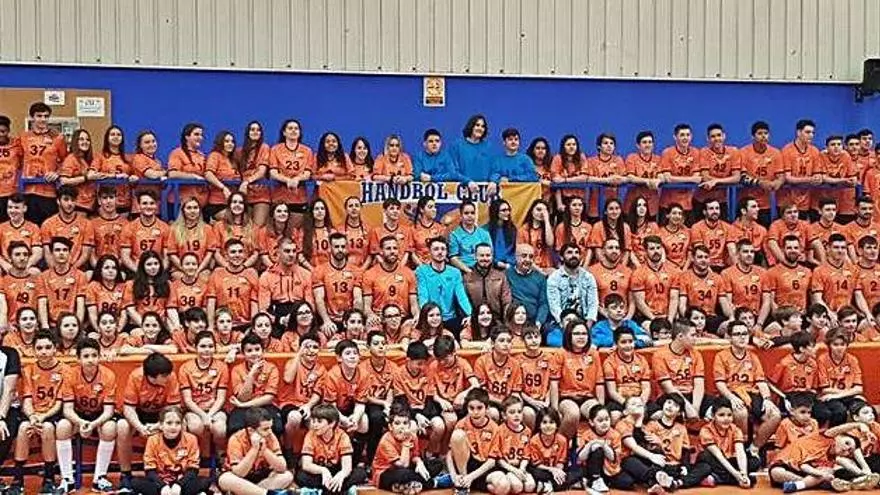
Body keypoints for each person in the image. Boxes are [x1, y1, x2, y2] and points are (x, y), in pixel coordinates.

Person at [57, 338, 118, 493]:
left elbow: (109, 411)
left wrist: (92, 424)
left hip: (99, 415)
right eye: (86, 356)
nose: (90, 360)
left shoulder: (108, 375)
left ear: (99, 356)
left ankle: (99, 478)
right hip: (77, 414)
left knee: (110, 428)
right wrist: (81, 422)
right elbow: (67, 409)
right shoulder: (70, 374)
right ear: (78, 359)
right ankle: (67, 479)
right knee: (62, 426)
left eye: (94, 355)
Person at [116, 352, 181, 491]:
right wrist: (140, 427)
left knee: (181, 424)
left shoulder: (171, 376)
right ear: (152, 376)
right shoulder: (136, 377)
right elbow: (129, 408)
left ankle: (174, 472)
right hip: (139, 413)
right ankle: (125, 474)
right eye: (164, 376)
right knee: (122, 426)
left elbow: (175, 408)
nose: (168, 377)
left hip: (162, 414)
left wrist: (160, 425)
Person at [714, 320, 782, 452]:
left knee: (775, 414)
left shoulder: (753, 356)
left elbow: (761, 381)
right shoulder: (721, 356)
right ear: (730, 337)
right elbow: (720, 383)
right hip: (732, 392)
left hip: (752, 393)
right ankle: (741, 445)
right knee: (740, 412)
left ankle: (754, 448)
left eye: (745, 334)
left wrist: (767, 399)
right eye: (737, 334)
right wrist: (732, 398)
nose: (742, 337)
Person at [13, 330, 68, 493]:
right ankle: (18, 480)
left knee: (48, 428)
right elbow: (27, 400)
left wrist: (43, 417)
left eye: (47, 347)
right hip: (33, 413)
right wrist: (32, 417)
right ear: (34, 350)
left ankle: (49, 478)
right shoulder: (28, 370)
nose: (43, 352)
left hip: (52, 413)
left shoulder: (65, 370)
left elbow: (59, 402)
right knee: (23, 428)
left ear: (55, 348)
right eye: (39, 348)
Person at [769, 423, 879, 493]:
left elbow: (806, 467)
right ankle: (819, 484)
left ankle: (800, 485)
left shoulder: (829, 460)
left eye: (849, 451)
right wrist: (859, 424)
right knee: (776, 472)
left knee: (827, 471)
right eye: (847, 443)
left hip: (805, 473)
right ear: (838, 436)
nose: (846, 448)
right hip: (787, 464)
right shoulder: (824, 437)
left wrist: (821, 474)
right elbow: (839, 428)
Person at [132, 405, 213, 495]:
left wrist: (179, 485)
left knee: (205, 481)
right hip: (161, 482)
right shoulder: (152, 440)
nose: (173, 427)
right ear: (161, 425)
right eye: (169, 423)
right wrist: (162, 486)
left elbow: (193, 469)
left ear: (182, 425)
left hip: (182, 482)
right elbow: (150, 470)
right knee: (135, 482)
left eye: (177, 423)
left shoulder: (191, 439)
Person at [217, 407, 296, 495]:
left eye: (271, 427)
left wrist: (265, 450)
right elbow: (239, 473)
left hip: (263, 479)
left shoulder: (270, 436)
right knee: (225, 479)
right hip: (242, 480)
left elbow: (282, 467)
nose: (270, 432)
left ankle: (252, 492)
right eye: (265, 429)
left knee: (287, 476)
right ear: (251, 430)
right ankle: (266, 493)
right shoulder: (236, 439)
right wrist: (254, 449)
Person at [372, 399, 445, 494]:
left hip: (407, 468)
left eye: (405, 423)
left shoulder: (412, 436)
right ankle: (432, 483)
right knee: (404, 474)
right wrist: (406, 442)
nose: (402, 427)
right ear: (390, 427)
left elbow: (415, 456)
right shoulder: (385, 441)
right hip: (385, 473)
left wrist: (419, 463)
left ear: (409, 425)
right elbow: (403, 465)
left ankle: (405, 485)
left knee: (437, 464)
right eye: (397, 423)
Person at [179, 331, 229, 465]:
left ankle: (220, 456)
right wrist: (202, 415)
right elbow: (187, 400)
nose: (207, 350)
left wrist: (210, 414)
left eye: (210, 346)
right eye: (203, 346)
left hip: (215, 408)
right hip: (194, 409)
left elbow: (221, 398)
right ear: (195, 347)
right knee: (196, 426)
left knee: (220, 428)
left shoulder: (222, 366)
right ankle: (197, 456)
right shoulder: (186, 368)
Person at [296, 402, 369, 495]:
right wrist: (323, 470)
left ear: (332, 423)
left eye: (319, 421)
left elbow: (347, 466)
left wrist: (341, 475)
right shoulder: (310, 435)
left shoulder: (342, 436)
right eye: (313, 421)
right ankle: (342, 490)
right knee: (300, 476)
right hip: (319, 471)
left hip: (337, 470)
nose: (315, 425)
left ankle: (322, 491)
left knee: (361, 473)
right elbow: (306, 465)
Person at [447, 388, 507, 495]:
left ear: (487, 408)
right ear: (467, 408)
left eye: (479, 408)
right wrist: (453, 475)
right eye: (471, 408)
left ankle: (469, 482)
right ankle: (462, 484)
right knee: (457, 435)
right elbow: (450, 454)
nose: (475, 412)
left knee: (503, 486)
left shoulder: (495, 428)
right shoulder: (461, 424)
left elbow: (492, 461)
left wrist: (471, 477)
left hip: (484, 468)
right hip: (467, 465)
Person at [650, 320, 709, 420]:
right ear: (680, 336)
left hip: (692, 394)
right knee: (664, 409)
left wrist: (695, 408)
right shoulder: (659, 355)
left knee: (720, 406)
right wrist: (688, 408)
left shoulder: (696, 354)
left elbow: (699, 383)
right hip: (671, 395)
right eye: (693, 335)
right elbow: (668, 387)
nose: (696, 338)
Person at [414, 236, 473, 335]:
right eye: (436, 249)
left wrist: (470, 314)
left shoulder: (455, 272)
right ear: (430, 252)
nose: (440, 252)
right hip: (430, 317)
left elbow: (461, 296)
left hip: (450, 318)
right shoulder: (422, 271)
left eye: (443, 249)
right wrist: (427, 315)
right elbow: (423, 295)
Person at [696, 397, 759, 488]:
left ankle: (718, 478)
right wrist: (736, 475)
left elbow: (740, 452)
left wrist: (744, 474)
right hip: (715, 460)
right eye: (721, 415)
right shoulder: (706, 430)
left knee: (755, 461)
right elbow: (719, 456)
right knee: (705, 457)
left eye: (729, 415)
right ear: (713, 416)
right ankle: (730, 479)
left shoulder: (735, 429)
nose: (726, 419)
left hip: (728, 460)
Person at [555, 320, 604, 437]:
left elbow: (599, 382)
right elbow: (554, 383)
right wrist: (555, 409)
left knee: (600, 415)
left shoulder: (593, 354)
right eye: (577, 334)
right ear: (569, 335)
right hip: (567, 397)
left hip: (587, 397)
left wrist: (601, 405)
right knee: (573, 413)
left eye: (584, 334)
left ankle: (594, 445)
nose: (581, 337)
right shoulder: (561, 353)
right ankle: (560, 442)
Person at [20, 102, 67, 224]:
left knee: (48, 228)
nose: (43, 119)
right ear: (32, 117)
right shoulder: (23, 137)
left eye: (46, 116)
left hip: (48, 191)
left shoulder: (58, 137)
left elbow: (66, 161)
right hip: (28, 190)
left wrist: (57, 173)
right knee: (31, 228)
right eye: (39, 116)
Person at [228, 333, 282, 436]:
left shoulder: (271, 368)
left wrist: (243, 405)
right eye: (249, 351)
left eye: (257, 349)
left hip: (265, 405)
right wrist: (251, 374)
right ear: (243, 353)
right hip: (244, 406)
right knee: (235, 426)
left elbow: (269, 398)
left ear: (263, 351)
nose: (254, 354)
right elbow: (242, 398)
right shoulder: (237, 369)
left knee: (277, 427)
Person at [576, 404, 634, 492]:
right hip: (591, 468)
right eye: (600, 420)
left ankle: (605, 481)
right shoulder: (586, 435)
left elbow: (613, 458)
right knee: (597, 449)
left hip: (609, 469)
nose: (604, 423)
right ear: (591, 422)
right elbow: (580, 457)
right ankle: (595, 479)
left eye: (607, 419)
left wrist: (603, 445)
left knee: (628, 482)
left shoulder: (615, 435)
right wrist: (591, 444)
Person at [313, 232, 363, 332]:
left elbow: (357, 299)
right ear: (329, 248)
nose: (340, 250)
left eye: (343, 246)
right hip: (329, 318)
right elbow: (319, 299)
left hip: (349, 319)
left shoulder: (356, 271)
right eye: (336, 247)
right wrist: (326, 321)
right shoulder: (319, 270)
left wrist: (354, 321)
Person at [364, 236, 419, 325]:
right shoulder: (370, 274)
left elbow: (414, 304)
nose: (392, 251)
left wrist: (416, 315)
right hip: (379, 319)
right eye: (388, 248)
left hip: (403, 319)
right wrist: (371, 315)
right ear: (381, 251)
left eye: (395, 248)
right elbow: (366, 307)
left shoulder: (408, 273)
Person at [815, 328, 865, 427]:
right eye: (835, 344)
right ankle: (835, 434)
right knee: (840, 411)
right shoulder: (822, 359)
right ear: (829, 345)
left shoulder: (852, 360)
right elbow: (825, 389)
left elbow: (859, 389)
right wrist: (849, 392)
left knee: (864, 409)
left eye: (842, 344)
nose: (839, 348)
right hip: (829, 397)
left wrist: (839, 395)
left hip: (841, 395)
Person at [207, 239, 259, 330]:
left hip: (245, 324)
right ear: (226, 256)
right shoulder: (217, 273)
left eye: (240, 251)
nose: (237, 255)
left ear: (244, 255)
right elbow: (211, 302)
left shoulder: (251, 273)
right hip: (223, 324)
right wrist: (211, 326)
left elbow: (254, 303)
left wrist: (252, 327)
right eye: (233, 252)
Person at [37, 236, 87, 330]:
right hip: (52, 325)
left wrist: (78, 326)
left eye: (65, 250)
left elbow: (80, 304)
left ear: (69, 253)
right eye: (57, 250)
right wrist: (45, 326)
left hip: (71, 324)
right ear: (51, 253)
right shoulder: (43, 277)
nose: (61, 253)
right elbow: (42, 303)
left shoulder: (80, 276)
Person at [602, 327, 652, 420]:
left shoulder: (642, 360)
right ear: (616, 344)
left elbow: (646, 388)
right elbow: (612, 392)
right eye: (623, 342)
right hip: (620, 400)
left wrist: (640, 404)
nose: (628, 345)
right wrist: (628, 404)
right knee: (614, 416)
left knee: (657, 415)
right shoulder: (609, 362)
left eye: (630, 341)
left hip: (639, 399)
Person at [269, 119, 313, 221]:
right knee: (279, 226)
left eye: (296, 128)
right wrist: (287, 180)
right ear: (284, 132)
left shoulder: (307, 151)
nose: (293, 130)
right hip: (280, 196)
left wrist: (297, 179)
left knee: (297, 227)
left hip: (299, 196)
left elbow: (308, 173)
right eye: (290, 128)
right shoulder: (275, 149)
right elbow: (273, 173)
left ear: (300, 132)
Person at [739, 121, 784, 223]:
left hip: (766, 204)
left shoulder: (776, 153)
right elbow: (741, 177)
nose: (763, 136)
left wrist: (778, 183)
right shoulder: (743, 152)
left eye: (766, 133)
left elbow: (781, 176)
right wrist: (759, 183)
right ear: (753, 136)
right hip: (747, 204)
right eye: (759, 133)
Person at [546, 243, 598, 330]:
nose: (574, 255)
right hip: (561, 323)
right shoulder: (554, 278)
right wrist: (565, 327)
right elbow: (554, 306)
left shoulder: (588, 277)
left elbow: (593, 304)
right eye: (569, 252)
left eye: (576, 252)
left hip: (584, 321)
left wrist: (587, 327)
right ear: (561, 257)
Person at [40, 185, 93, 270]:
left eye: (73, 200)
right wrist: (58, 271)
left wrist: (70, 271)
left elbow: (85, 254)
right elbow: (47, 254)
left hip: (78, 270)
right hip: (54, 270)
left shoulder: (86, 224)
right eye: (66, 199)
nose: (70, 203)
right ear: (58, 201)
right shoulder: (47, 224)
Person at [630, 235, 680, 324]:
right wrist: (655, 321)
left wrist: (669, 320)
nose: (656, 251)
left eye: (658, 248)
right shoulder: (638, 274)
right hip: (648, 318)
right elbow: (640, 302)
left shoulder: (673, 271)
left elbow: (674, 298)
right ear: (645, 251)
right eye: (652, 249)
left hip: (668, 316)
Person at [720, 239, 770, 326]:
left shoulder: (762, 272)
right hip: (738, 316)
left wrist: (759, 324)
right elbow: (728, 302)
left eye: (752, 252)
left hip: (758, 316)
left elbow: (766, 301)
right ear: (737, 254)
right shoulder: (727, 273)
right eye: (745, 252)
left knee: (776, 327)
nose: (749, 255)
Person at [780, 119, 823, 215]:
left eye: (813, 133)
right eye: (807, 132)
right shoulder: (787, 150)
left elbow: (818, 175)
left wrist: (818, 179)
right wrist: (809, 179)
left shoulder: (815, 151)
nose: (811, 135)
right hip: (788, 201)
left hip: (807, 199)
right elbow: (788, 178)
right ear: (798, 132)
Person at [811, 233, 857, 322]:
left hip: (848, 315)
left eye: (843, 248)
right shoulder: (819, 270)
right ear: (828, 248)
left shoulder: (853, 270)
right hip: (828, 315)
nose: (840, 251)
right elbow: (817, 299)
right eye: (836, 247)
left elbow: (858, 295)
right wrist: (830, 314)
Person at [120, 190, 170, 272]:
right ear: (138, 206)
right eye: (144, 203)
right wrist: (139, 272)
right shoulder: (129, 228)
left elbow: (167, 257)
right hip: (135, 270)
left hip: (157, 269)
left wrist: (158, 272)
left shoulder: (165, 228)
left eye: (152, 203)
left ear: (157, 205)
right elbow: (125, 257)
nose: (148, 206)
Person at [678, 244, 725, 330]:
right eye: (700, 257)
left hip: (711, 317)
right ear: (693, 258)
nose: (703, 260)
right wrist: (688, 319)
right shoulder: (684, 277)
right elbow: (682, 305)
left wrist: (731, 317)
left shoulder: (717, 278)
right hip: (693, 317)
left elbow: (724, 302)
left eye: (706, 257)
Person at [658, 123, 700, 218]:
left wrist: (676, 179)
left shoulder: (695, 152)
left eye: (687, 135)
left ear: (691, 137)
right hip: (667, 204)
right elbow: (668, 178)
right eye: (682, 135)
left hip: (688, 204)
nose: (685, 138)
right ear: (675, 137)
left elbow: (697, 178)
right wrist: (691, 179)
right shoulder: (667, 153)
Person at [696, 123, 742, 210]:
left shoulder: (733, 151)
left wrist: (716, 181)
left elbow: (736, 178)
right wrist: (726, 180)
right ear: (708, 139)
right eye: (713, 136)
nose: (716, 138)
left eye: (719, 135)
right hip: (702, 200)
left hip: (722, 201)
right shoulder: (704, 152)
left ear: (724, 136)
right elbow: (705, 177)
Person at [505, 244, 549, 330]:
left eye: (531, 257)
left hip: (534, 323)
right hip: (514, 322)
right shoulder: (507, 274)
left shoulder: (540, 278)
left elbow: (543, 303)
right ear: (516, 257)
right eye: (524, 256)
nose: (528, 260)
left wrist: (538, 322)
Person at [765, 234, 812, 313]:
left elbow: (811, 298)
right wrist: (780, 316)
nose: (793, 250)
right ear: (783, 250)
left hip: (802, 315)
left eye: (796, 248)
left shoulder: (807, 272)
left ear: (800, 250)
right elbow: (771, 301)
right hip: (783, 316)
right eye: (789, 248)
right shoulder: (772, 272)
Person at [237, 121, 272, 225]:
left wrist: (246, 182)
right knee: (245, 226)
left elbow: (262, 172)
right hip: (244, 194)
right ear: (247, 132)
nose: (255, 132)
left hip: (261, 194)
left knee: (258, 226)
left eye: (258, 130)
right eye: (252, 130)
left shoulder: (264, 147)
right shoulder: (239, 151)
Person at [590, 237, 633, 319]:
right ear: (603, 251)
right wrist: (608, 316)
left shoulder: (628, 271)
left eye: (617, 248)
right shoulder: (592, 271)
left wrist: (628, 318)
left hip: (624, 315)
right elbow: (592, 300)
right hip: (602, 316)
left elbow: (632, 301)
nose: (614, 251)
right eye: (610, 248)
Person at [0, 194, 43, 273]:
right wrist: (6, 266)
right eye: (10, 207)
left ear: (24, 208)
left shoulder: (33, 227)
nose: (12, 211)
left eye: (16, 208)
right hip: (7, 266)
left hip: (26, 265)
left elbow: (38, 252)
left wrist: (25, 266)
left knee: (35, 272)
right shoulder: (1, 228)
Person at [168, 122, 208, 206]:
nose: (200, 138)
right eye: (196, 134)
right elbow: (172, 173)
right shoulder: (177, 153)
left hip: (198, 202)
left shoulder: (202, 156)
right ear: (187, 137)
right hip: (180, 202)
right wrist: (193, 176)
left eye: (201, 135)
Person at [820, 135, 859, 222]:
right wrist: (844, 180)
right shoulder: (822, 155)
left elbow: (853, 178)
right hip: (826, 200)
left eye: (839, 144)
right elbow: (823, 178)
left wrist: (852, 180)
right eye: (833, 144)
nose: (836, 147)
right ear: (827, 147)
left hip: (844, 202)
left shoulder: (846, 155)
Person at [58, 128, 97, 213]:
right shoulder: (71, 159)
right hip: (78, 204)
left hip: (92, 204)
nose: (85, 142)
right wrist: (86, 178)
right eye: (81, 139)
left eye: (87, 140)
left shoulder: (90, 159)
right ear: (75, 141)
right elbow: (63, 181)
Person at [450, 114, 494, 188]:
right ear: (471, 126)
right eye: (477, 125)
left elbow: (494, 169)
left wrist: (494, 181)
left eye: (483, 126)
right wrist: (468, 182)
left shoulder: (488, 147)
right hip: (463, 190)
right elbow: (453, 171)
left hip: (484, 191)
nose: (480, 128)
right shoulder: (457, 146)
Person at [368, 198, 414, 267]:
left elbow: (408, 252)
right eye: (392, 208)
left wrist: (400, 267)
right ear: (385, 211)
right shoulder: (376, 231)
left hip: (403, 267)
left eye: (398, 209)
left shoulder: (407, 230)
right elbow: (376, 253)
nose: (395, 211)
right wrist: (387, 267)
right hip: (383, 268)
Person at [449, 200, 492, 273]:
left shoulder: (484, 234)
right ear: (461, 215)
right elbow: (453, 258)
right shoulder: (455, 235)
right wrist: (469, 271)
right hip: (464, 271)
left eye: (472, 213)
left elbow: (490, 255)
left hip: (483, 269)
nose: (470, 216)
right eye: (466, 213)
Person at [690, 199, 733, 270]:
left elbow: (732, 250)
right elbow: (700, 251)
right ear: (704, 212)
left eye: (717, 208)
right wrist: (709, 272)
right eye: (711, 209)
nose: (715, 211)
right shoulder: (696, 227)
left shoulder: (728, 227)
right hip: (704, 265)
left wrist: (736, 269)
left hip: (723, 265)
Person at [411, 196, 447, 267]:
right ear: (421, 209)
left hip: (437, 266)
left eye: (435, 207)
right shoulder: (413, 229)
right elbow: (411, 252)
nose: (434, 210)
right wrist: (422, 267)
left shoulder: (440, 229)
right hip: (419, 266)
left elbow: (443, 250)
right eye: (430, 207)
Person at [483, 199, 517, 269]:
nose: (507, 213)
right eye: (504, 210)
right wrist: (496, 262)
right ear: (495, 211)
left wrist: (510, 263)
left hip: (511, 265)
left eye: (508, 210)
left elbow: (515, 250)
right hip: (491, 266)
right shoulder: (485, 230)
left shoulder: (513, 229)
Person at [0, 115, 21, 224]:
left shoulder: (17, 144)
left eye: (3, 131)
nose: (0, 134)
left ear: (8, 131)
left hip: (11, 193)